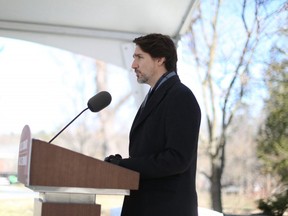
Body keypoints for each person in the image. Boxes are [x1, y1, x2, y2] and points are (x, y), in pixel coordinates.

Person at [105, 33, 201, 216]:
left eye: (139, 57)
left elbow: (177, 159)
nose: (133, 65)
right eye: (134, 58)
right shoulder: (153, 96)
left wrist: (125, 165)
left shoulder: (180, 96)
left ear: (160, 59)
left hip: (166, 209)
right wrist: (120, 165)